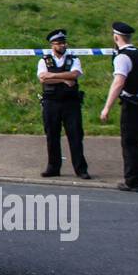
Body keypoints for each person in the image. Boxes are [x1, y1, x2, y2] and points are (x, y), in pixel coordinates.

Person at [99, 21, 138, 192]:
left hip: (132, 103)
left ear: (116, 37)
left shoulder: (122, 57)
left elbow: (118, 82)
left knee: (129, 142)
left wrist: (107, 107)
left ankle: (132, 180)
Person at [36, 29, 90, 179]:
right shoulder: (44, 60)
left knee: (75, 136)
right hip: (50, 102)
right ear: (52, 45)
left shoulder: (74, 59)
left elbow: (74, 75)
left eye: (64, 43)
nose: (62, 45)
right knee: (52, 135)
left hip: (70, 103)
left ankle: (81, 169)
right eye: (59, 43)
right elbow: (43, 79)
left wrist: (52, 75)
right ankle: (53, 167)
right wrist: (63, 78)